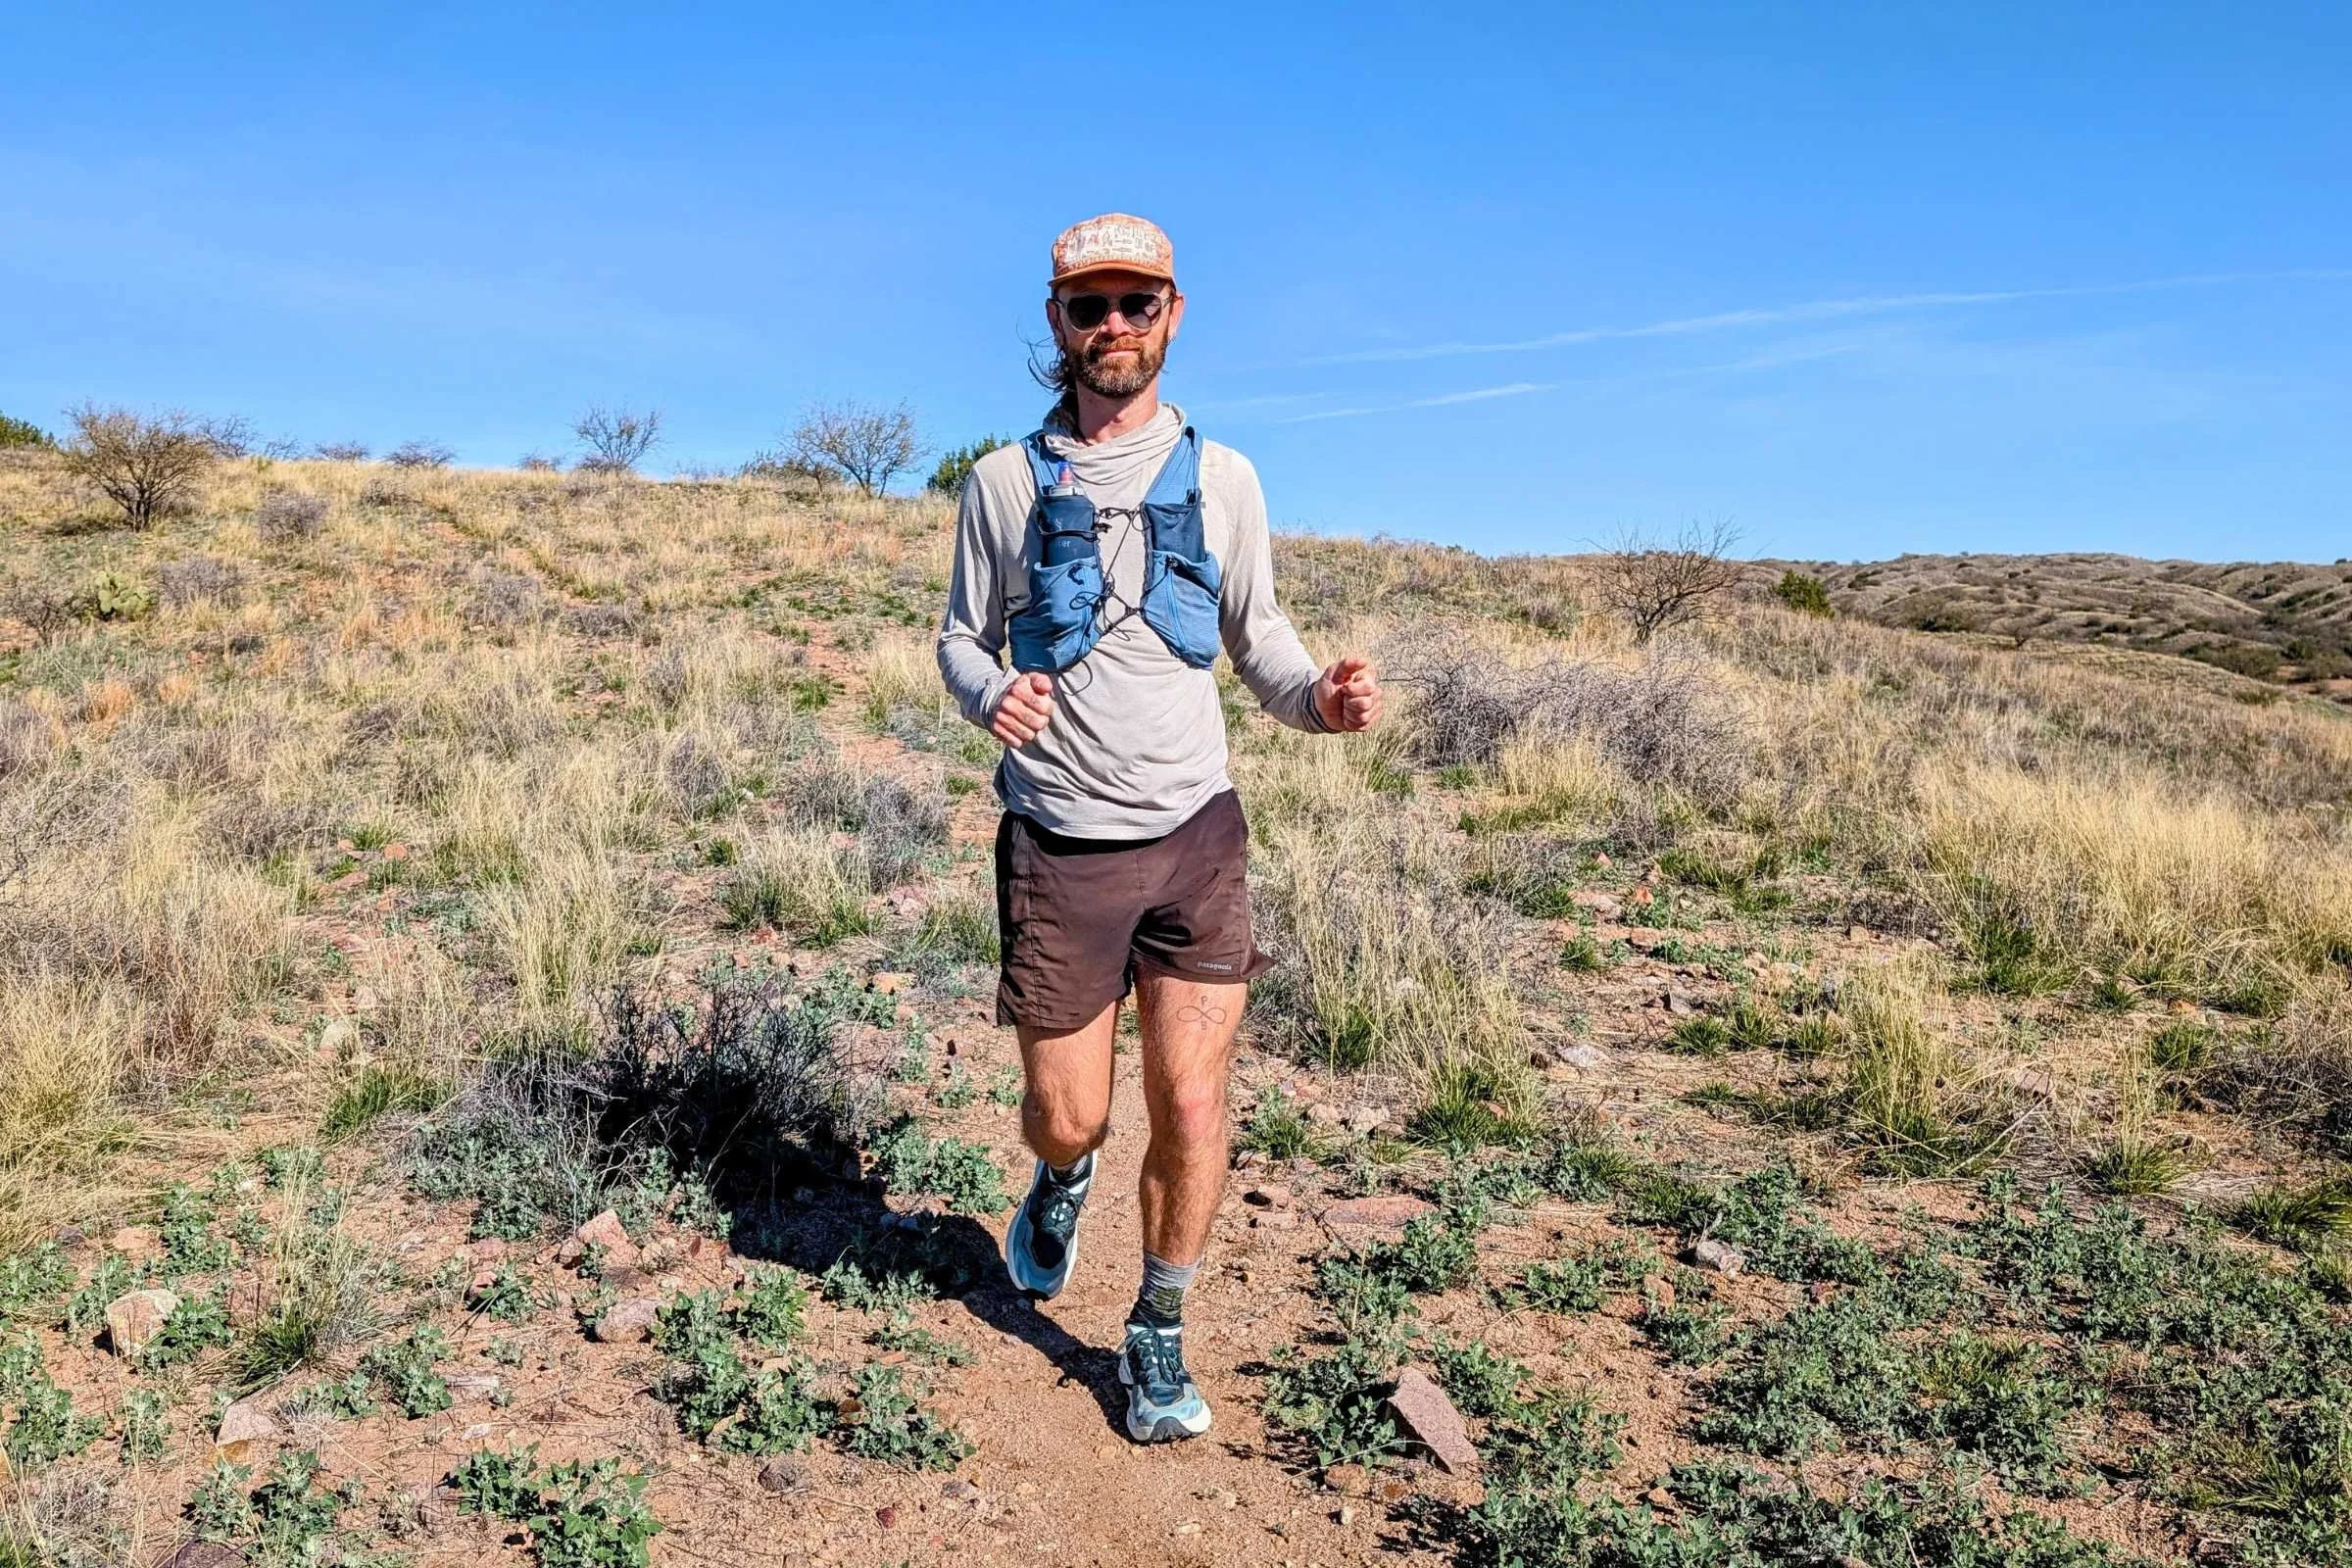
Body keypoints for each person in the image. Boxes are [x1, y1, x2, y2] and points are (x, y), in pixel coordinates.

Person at [935, 213, 1384, 1443]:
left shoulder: (1227, 477)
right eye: (1092, 308)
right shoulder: (1003, 483)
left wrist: (1320, 703)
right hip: (1060, 842)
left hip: (1197, 832)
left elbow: (1262, 639)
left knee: (1191, 1101)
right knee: (1069, 1110)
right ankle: (1065, 1174)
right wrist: (991, 693)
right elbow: (960, 638)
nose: (1115, 327)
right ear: (1057, 324)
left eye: (1139, 304)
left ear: (1174, 314)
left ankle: (1157, 1333)